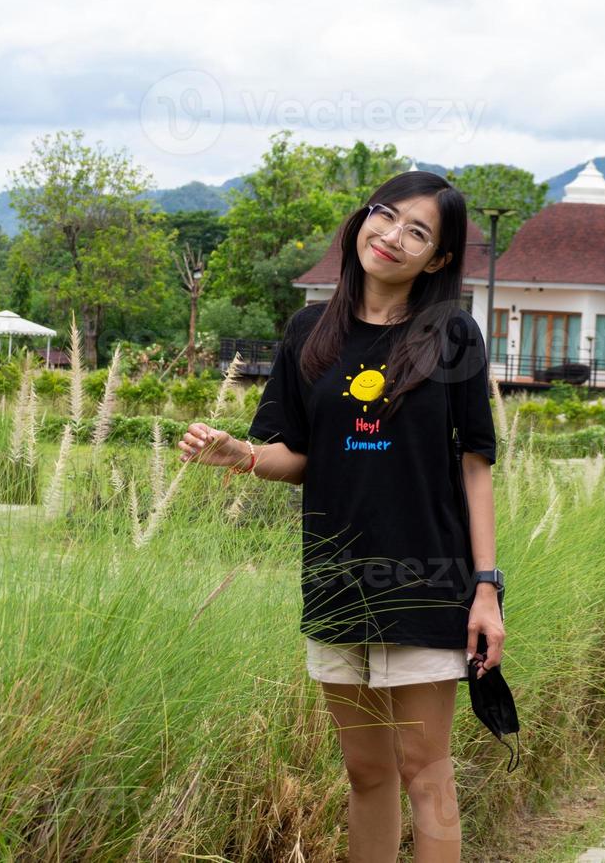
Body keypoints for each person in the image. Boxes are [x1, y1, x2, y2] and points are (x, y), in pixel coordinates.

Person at [178, 170, 502, 863]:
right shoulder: (308, 331)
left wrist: (485, 587)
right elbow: (296, 455)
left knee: (426, 773)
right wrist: (237, 454)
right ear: (362, 219)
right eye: (385, 216)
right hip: (335, 579)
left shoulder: (450, 335)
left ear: (437, 259)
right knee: (365, 773)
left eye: (418, 231)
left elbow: (475, 464)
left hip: (425, 580)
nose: (391, 236)